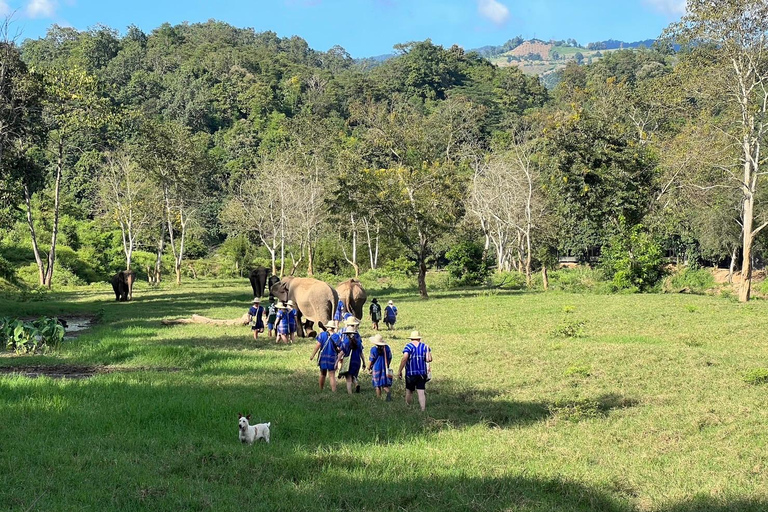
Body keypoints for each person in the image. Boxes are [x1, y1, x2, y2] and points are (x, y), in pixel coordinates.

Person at [398, 330, 432, 411]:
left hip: (411, 373)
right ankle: (423, 409)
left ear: (411, 339)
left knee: (409, 391)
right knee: (421, 392)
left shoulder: (408, 346)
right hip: (422, 373)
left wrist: (400, 370)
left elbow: (405, 358)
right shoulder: (425, 347)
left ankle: (408, 407)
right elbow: (430, 359)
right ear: (419, 339)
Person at [309, 321, 341, 391]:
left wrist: (312, 355)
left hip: (323, 357)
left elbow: (318, 346)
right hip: (332, 358)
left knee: (323, 374)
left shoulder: (322, 335)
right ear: (333, 328)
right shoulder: (336, 336)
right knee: (332, 375)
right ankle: (334, 390)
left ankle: (321, 389)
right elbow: (339, 348)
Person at [337, 318, 366, 395]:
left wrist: (336, 362)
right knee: (353, 375)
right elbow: (361, 353)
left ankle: (350, 394)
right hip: (357, 361)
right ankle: (356, 383)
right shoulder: (358, 341)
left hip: (348, 361)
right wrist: (364, 363)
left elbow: (341, 353)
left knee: (348, 379)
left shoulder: (345, 342)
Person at [367, 333, 392, 401]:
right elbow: (390, 357)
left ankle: (379, 398)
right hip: (385, 367)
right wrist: (388, 364)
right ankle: (388, 393)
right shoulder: (387, 348)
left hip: (376, 368)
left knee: (377, 385)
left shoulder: (373, 350)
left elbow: (371, 360)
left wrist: (368, 368)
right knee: (385, 384)